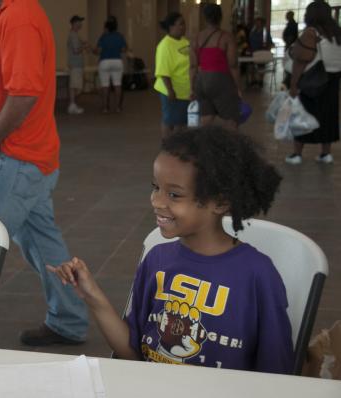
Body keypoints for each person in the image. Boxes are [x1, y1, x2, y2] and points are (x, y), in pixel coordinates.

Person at [49, 126, 294, 374]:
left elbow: (277, 372)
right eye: (156, 187)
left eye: (174, 194)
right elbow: (133, 353)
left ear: (220, 202)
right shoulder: (157, 259)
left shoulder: (257, 274)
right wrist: (93, 296)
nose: (156, 201)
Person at [0, 0, 88, 346]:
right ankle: (69, 321)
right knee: (43, 243)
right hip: (23, 162)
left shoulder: (21, 16)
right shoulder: (1, 17)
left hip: (12, 161)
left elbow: (25, 93)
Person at [286, 1, 341, 165]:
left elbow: (301, 61)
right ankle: (326, 154)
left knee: (303, 115)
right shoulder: (337, 32)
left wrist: (294, 84)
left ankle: (297, 154)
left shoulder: (310, 32)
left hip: (314, 79)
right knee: (328, 116)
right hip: (333, 80)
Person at [190, 4, 241, 131]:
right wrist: (237, 87)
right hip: (220, 79)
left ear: (204, 18)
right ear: (221, 17)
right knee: (231, 120)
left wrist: (192, 88)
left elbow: (192, 66)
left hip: (201, 80)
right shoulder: (226, 37)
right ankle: (230, 149)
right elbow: (233, 65)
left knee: (206, 120)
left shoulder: (196, 38)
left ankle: (203, 147)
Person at [154, 12, 190, 136]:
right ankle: (167, 147)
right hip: (171, 90)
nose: (184, 27)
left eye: (184, 23)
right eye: (180, 24)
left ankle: (178, 147)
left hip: (185, 90)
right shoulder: (165, 46)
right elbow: (163, 71)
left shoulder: (185, 42)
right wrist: (170, 91)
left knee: (181, 121)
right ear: (171, 27)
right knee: (169, 121)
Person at [95, 17, 128, 113]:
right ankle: (118, 107)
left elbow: (98, 51)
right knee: (118, 84)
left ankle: (105, 107)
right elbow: (124, 49)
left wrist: (93, 50)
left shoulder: (103, 37)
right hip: (117, 61)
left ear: (106, 28)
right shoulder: (120, 36)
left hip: (104, 62)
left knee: (105, 85)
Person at [67, 15, 87, 115]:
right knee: (76, 87)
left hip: (76, 65)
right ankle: (72, 105)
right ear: (75, 23)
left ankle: (72, 104)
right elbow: (76, 50)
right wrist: (84, 46)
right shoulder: (74, 35)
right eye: (79, 22)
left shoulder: (75, 35)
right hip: (75, 65)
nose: (81, 24)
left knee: (76, 86)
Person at [248, 17, 274, 87]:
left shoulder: (265, 32)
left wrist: (267, 49)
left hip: (261, 51)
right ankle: (253, 80)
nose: (257, 24)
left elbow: (270, 43)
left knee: (261, 67)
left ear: (262, 23)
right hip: (253, 51)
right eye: (256, 22)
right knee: (251, 66)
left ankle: (260, 81)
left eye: (258, 22)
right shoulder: (252, 31)